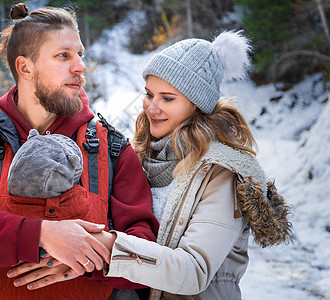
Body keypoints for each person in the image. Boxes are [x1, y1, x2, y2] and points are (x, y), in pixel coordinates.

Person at [23, 31, 293, 299]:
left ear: (196, 104)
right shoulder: (139, 156)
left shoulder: (220, 172)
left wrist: (107, 248)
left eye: (167, 98)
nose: (151, 108)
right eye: (149, 94)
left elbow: (194, 270)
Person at [0, 3, 158, 300]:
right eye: (63, 56)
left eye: (80, 55)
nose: (80, 67)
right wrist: (42, 235)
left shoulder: (113, 149)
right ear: (25, 67)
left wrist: (89, 257)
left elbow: (145, 243)